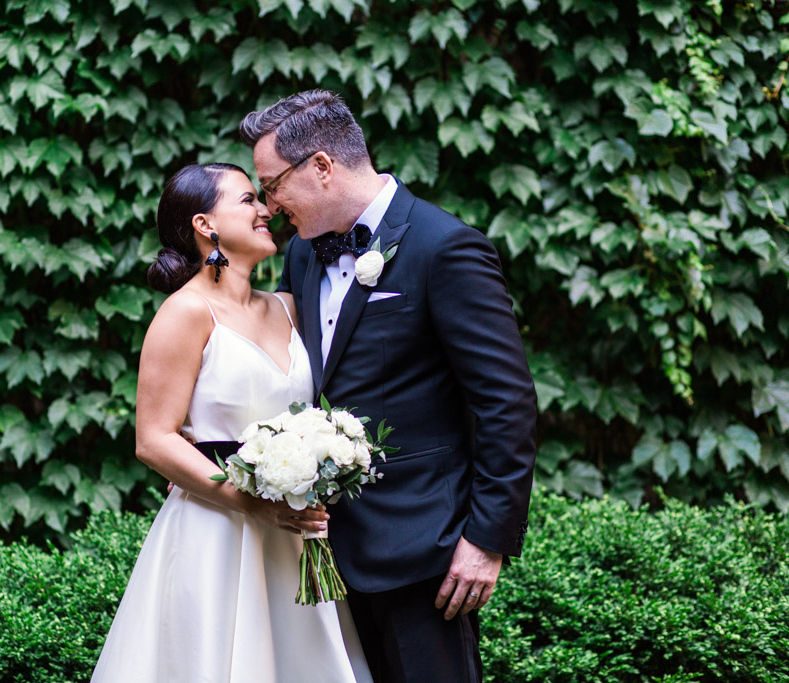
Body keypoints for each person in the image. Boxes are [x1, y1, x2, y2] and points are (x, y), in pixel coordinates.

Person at [239, 90, 538, 683]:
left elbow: (507, 401)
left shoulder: (445, 247)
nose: (269, 206)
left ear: (321, 166)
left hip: (425, 553)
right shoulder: (300, 254)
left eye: (272, 186)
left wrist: (487, 540)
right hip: (325, 559)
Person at [89, 163, 372, 682]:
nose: (266, 210)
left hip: (294, 534)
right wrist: (250, 503)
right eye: (248, 200)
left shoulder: (288, 307)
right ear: (206, 224)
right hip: (216, 529)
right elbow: (153, 440)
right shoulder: (186, 312)